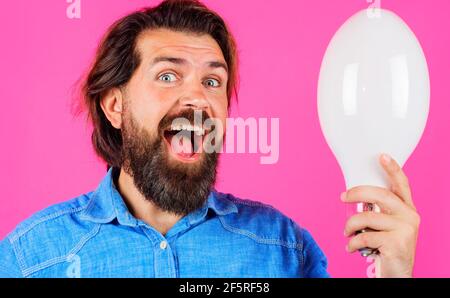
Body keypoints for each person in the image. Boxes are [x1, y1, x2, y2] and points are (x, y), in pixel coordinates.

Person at [0, 0, 419, 278]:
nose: (199, 97)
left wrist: (396, 273)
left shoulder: (284, 251)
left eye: (213, 80)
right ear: (115, 106)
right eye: (167, 75)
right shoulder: (30, 258)